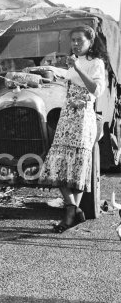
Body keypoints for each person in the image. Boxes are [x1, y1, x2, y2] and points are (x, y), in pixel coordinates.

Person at [39, 25, 107, 233]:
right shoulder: (72, 62)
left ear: (90, 42)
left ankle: (70, 213)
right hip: (66, 117)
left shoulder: (96, 63)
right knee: (58, 166)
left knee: (76, 167)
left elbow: (96, 90)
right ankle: (73, 209)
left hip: (83, 120)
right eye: (73, 40)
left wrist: (77, 68)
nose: (76, 44)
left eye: (80, 40)